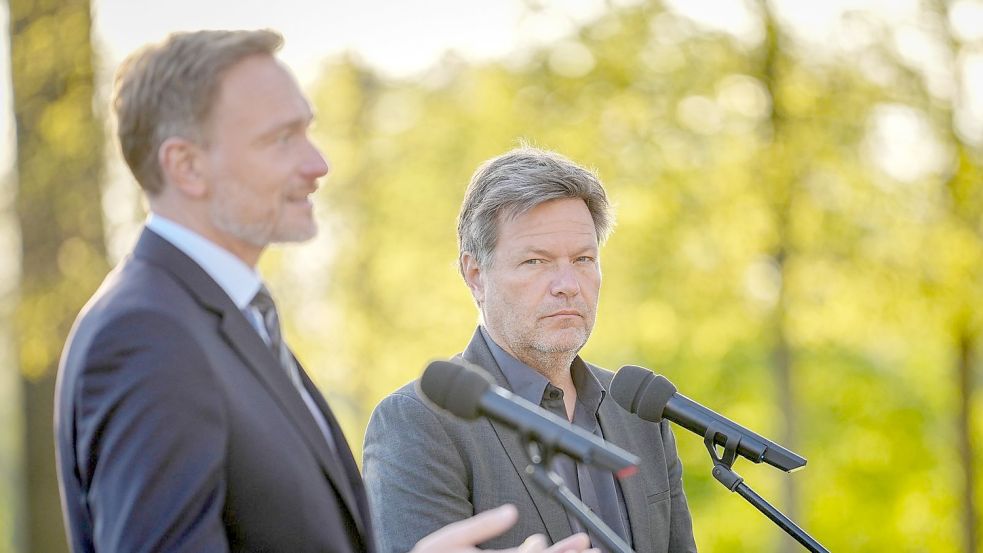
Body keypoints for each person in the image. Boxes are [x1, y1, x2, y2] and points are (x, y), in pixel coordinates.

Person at [54, 30, 591, 553]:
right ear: (187, 166)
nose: (318, 165)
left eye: (307, 132)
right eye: (281, 139)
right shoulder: (148, 335)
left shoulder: (231, 320)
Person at [362, 147, 699, 553]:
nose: (567, 284)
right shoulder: (417, 422)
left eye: (583, 258)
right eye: (536, 262)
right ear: (475, 275)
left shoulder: (640, 416)